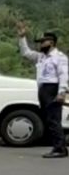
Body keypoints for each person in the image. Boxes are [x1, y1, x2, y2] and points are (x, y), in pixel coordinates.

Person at [18, 22, 69, 158]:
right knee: (48, 119)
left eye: (43, 42)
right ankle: (56, 146)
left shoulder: (60, 57)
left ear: (51, 43)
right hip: (43, 89)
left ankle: (60, 149)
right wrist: (22, 37)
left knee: (54, 119)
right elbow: (26, 53)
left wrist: (62, 92)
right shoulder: (41, 57)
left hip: (53, 88)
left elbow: (63, 75)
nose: (40, 45)